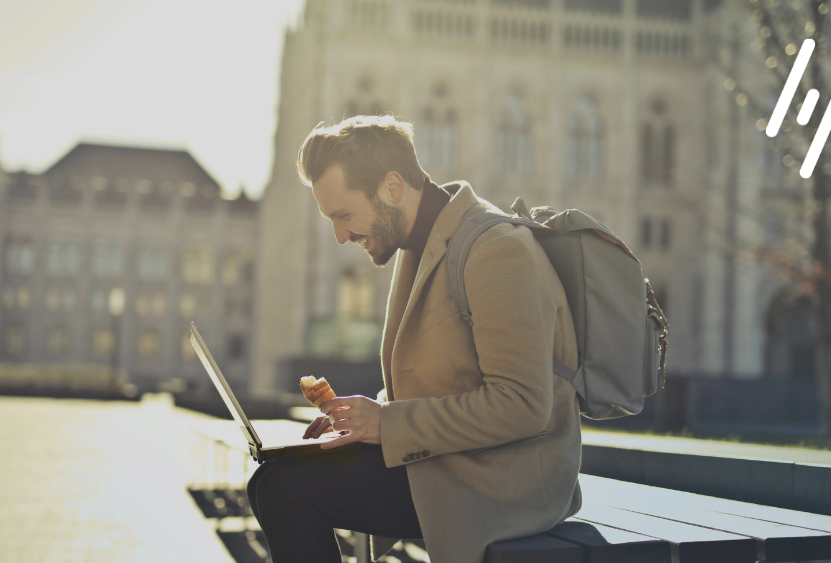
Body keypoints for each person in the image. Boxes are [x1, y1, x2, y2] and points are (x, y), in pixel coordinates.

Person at [246, 115, 582, 563]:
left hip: (506, 485)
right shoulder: (420, 246)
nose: (340, 236)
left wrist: (386, 424)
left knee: (283, 489)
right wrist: (363, 420)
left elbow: (523, 404)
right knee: (276, 475)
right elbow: (444, 380)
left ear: (392, 187)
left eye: (343, 215)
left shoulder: (497, 249)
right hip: (452, 463)